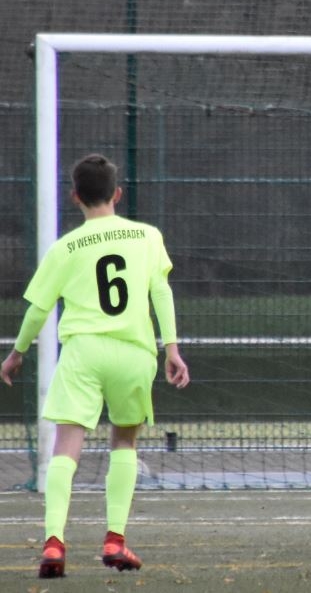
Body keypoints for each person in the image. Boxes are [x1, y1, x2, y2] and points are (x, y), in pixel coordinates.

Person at [1, 154, 190, 579]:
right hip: (134, 352)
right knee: (124, 442)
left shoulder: (65, 247)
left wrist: (18, 352)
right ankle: (115, 539)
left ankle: (53, 542)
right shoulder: (147, 236)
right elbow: (161, 292)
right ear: (117, 194)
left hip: (83, 352)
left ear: (75, 197)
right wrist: (172, 349)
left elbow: (38, 309)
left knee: (65, 447)